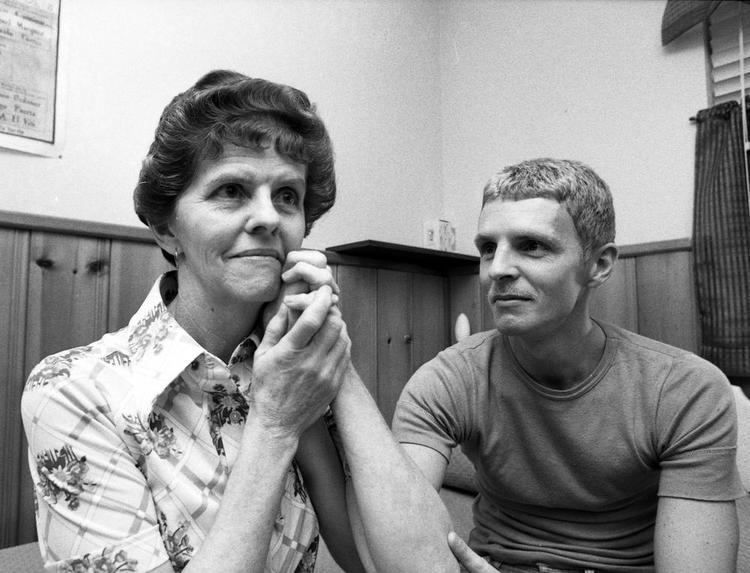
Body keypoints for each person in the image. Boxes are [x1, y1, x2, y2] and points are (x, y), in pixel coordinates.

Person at [21, 70, 457, 573]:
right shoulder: (75, 391)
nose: (269, 217)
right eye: (231, 190)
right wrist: (274, 424)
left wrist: (332, 355)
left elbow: (425, 567)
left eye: (288, 196)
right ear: (167, 229)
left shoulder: (296, 366)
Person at [392, 158, 745, 573]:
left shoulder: (686, 389)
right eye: (488, 248)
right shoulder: (447, 379)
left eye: (532, 246)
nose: (497, 270)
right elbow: (396, 538)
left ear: (598, 265)